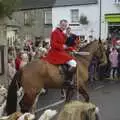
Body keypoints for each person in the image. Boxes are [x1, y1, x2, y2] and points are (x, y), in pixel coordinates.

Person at [43, 19, 77, 87]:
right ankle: (67, 80)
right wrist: (62, 46)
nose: (64, 27)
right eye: (63, 25)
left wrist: (72, 49)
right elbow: (53, 44)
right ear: (60, 24)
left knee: (72, 60)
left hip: (60, 51)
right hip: (56, 53)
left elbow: (65, 45)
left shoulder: (61, 33)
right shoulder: (55, 32)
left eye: (65, 26)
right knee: (73, 63)